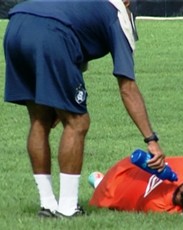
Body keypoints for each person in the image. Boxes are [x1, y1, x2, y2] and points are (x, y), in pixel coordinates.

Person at [3, 0, 165, 218]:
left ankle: (48, 204)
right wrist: (151, 140)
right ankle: (68, 208)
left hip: (16, 25)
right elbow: (127, 87)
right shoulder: (117, 14)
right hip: (52, 34)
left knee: (40, 119)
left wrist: (60, 99)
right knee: (78, 122)